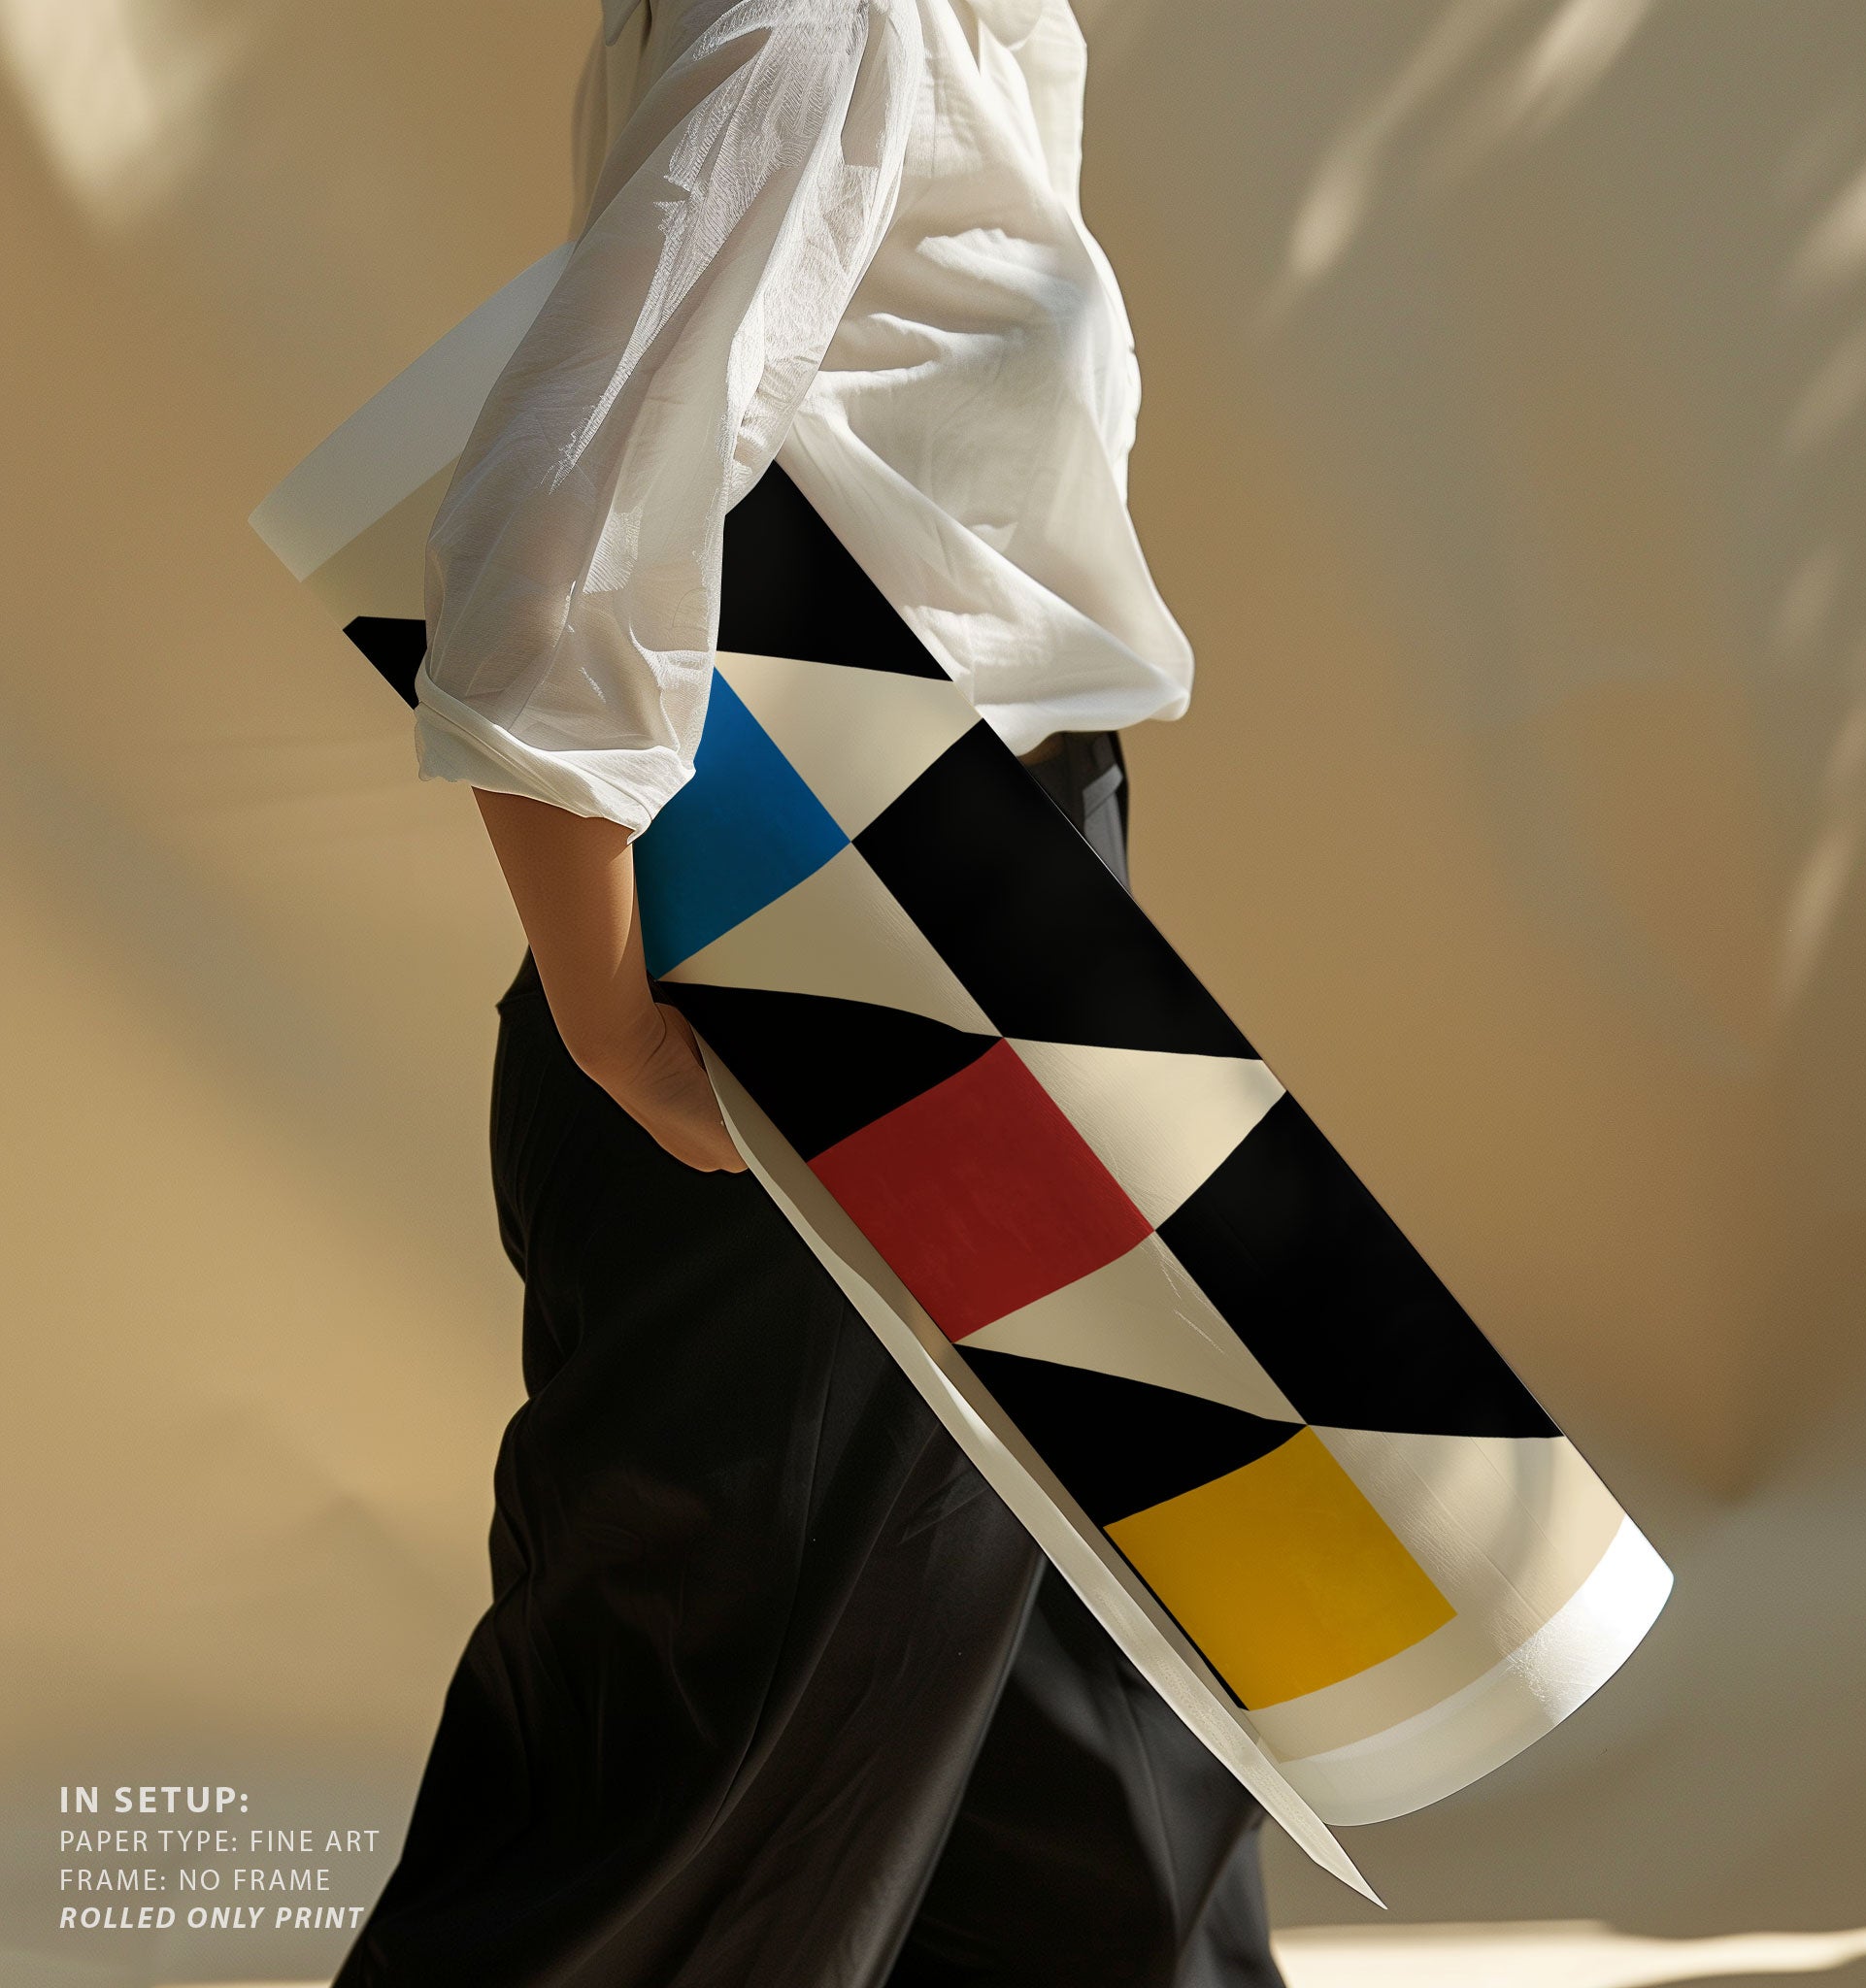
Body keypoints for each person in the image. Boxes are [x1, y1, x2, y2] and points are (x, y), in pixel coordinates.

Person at [332, 2, 1280, 1982]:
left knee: (1107, 1765)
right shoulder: (832, 13)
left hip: (994, 891)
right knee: (675, 1800)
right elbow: (563, 517)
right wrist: (613, 1016)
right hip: (833, 931)